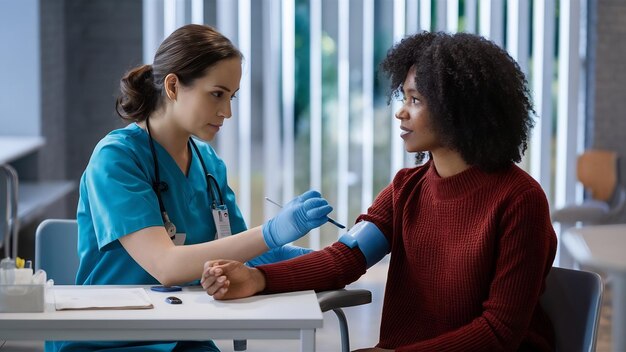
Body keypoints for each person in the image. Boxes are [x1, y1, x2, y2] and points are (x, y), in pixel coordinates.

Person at [201, 31, 558, 352]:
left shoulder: (519, 199)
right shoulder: (406, 188)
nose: (400, 112)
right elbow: (345, 258)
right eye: (403, 97)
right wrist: (257, 278)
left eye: (415, 100)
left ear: (460, 108)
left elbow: (499, 332)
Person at [47, 24, 334, 352]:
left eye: (231, 97)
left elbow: (243, 252)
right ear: (173, 86)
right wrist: (272, 231)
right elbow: (167, 266)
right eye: (217, 94)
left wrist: (327, 259)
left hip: (180, 332)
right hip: (107, 337)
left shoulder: (208, 164)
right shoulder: (116, 158)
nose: (227, 111)